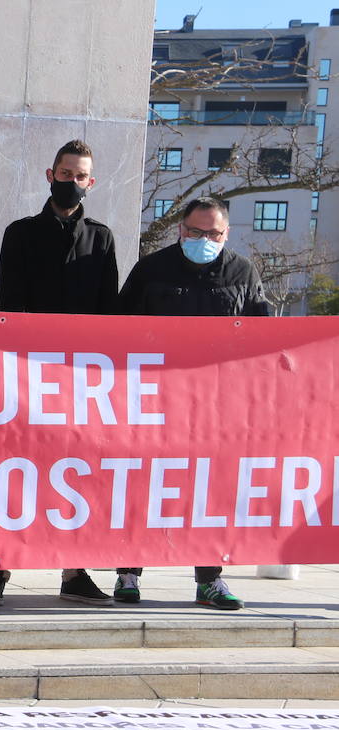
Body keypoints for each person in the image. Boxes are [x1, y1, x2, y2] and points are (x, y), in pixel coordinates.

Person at [0, 139, 120, 608]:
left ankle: (74, 572)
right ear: (50, 174)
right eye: (65, 173)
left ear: (91, 182)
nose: (72, 182)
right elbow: (9, 304)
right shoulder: (20, 233)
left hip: (82, 376)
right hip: (28, 373)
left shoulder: (101, 237)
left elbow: (108, 312)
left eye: (81, 176)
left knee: (76, 473)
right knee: (17, 470)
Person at [115, 196, 270, 611]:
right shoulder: (152, 269)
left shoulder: (242, 271)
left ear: (227, 234)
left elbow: (263, 333)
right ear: (180, 230)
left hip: (217, 408)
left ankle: (209, 580)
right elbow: (117, 329)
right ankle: (128, 572)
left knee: (210, 492)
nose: (204, 239)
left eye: (213, 234)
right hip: (154, 400)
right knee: (144, 484)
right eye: (196, 232)